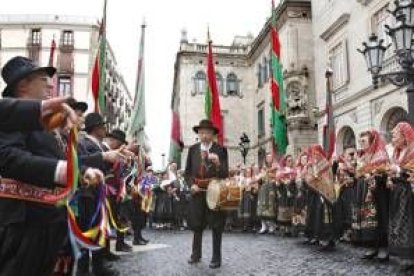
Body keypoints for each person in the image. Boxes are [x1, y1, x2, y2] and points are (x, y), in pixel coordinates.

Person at [0, 56, 102, 276]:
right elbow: (9, 158)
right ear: (23, 85)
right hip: (23, 225)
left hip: (49, 221)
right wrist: (64, 171)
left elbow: (56, 158)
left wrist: (84, 171)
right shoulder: (9, 120)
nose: (51, 84)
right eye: (43, 79)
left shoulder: (44, 123)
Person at [185, 119, 229, 269]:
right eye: (201, 132)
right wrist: (192, 185)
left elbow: (224, 174)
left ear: (213, 135)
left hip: (214, 192)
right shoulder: (192, 150)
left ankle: (216, 258)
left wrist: (218, 163)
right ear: (198, 133)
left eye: (207, 133)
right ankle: (195, 254)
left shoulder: (221, 150)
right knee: (197, 224)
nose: (204, 135)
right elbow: (187, 173)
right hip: (197, 192)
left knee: (217, 225)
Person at [356, 130, 390, 262]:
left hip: (379, 193)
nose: (361, 144)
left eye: (364, 141)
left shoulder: (381, 155)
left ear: (372, 141)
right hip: (365, 191)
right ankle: (372, 246)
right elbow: (358, 173)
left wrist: (374, 176)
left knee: (380, 219)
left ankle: (383, 247)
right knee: (368, 220)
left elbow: (386, 173)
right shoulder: (363, 157)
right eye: (360, 141)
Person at [388, 122, 414, 272]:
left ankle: (410, 257)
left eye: (395, 134)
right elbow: (392, 172)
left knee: (409, 224)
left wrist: (398, 170)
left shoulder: (412, 150)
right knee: (399, 223)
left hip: (409, 194)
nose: (393, 137)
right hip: (398, 194)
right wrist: (390, 179)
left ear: (404, 136)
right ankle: (404, 255)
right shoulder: (396, 153)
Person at [276, 155, 297, 236]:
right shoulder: (281, 170)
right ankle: (283, 228)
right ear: (285, 161)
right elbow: (277, 183)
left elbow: (296, 181)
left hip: (292, 191)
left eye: (291, 160)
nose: (290, 162)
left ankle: (289, 229)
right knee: (283, 208)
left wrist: (292, 181)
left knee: (290, 209)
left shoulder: (294, 170)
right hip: (283, 192)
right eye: (288, 160)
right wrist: (281, 181)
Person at [256, 154, 278, 234]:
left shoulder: (275, 167)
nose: (269, 158)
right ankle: (263, 225)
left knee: (270, 207)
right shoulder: (263, 168)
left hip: (271, 188)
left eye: (270, 157)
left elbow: (277, 177)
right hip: (263, 188)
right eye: (267, 157)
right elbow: (260, 178)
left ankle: (271, 225)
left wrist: (271, 174)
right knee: (262, 206)